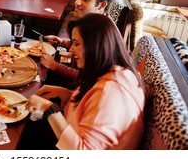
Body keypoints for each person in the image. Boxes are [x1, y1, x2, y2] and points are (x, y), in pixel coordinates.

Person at [24, 13, 145, 149]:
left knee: (25, 132)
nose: (71, 49)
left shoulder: (110, 93)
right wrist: (66, 94)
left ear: (96, 45)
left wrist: (49, 109)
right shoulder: (122, 72)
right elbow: (92, 108)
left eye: (76, 44)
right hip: (71, 132)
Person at [41, 0, 115, 87]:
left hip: (77, 88)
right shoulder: (93, 22)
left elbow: (89, 77)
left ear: (102, 4)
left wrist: (54, 66)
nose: (77, 2)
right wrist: (63, 42)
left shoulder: (103, 34)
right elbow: (86, 50)